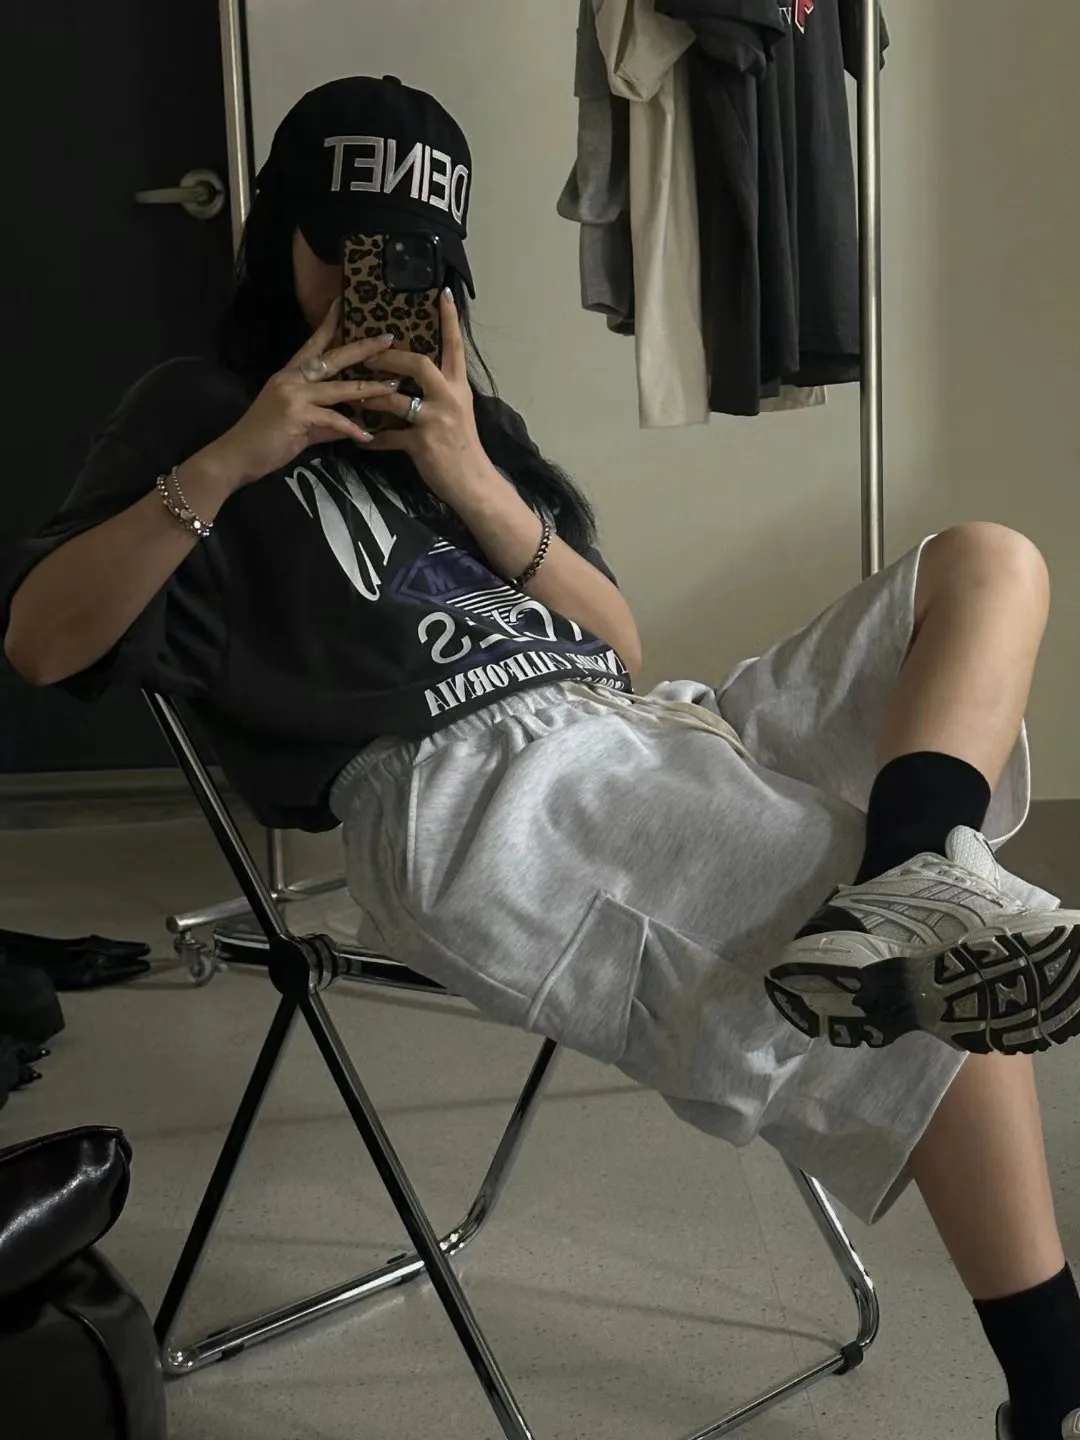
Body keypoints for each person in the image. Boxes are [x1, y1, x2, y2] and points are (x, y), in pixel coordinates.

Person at [2, 75, 1077, 1439]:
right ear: (279, 238)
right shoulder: (197, 409)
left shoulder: (470, 426)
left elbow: (617, 641)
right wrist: (235, 457)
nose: (373, 291)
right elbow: (41, 640)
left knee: (988, 563)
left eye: (411, 265)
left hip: (647, 723)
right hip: (473, 793)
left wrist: (468, 473)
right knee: (930, 950)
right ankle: (1056, 1390)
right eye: (344, 249)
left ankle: (917, 871)